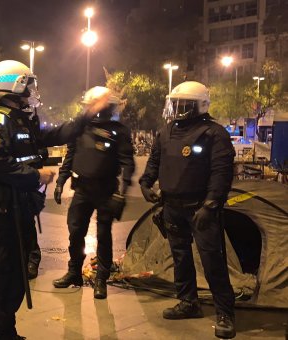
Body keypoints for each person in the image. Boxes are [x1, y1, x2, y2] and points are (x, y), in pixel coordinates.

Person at [0, 60, 103, 339]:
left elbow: (54, 135)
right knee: (3, 274)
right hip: (3, 212)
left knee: (20, 275)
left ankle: (7, 331)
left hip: (21, 208)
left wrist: (87, 116)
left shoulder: (22, 118)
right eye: (28, 83)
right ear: (13, 84)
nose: (33, 90)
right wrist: (36, 175)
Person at [139, 81, 236, 339]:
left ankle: (225, 312)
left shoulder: (214, 133)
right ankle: (188, 302)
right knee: (180, 258)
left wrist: (211, 204)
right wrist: (145, 183)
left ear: (200, 105)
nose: (179, 108)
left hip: (201, 208)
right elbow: (155, 161)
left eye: (185, 104)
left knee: (212, 261)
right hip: (172, 206)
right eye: (176, 103)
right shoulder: (167, 131)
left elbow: (221, 172)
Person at [52, 86, 135, 300]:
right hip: (82, 190)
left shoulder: (119, 130)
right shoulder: (81, 128)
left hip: (106, 190)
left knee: (103, 235)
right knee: (75, 232)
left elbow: (127, 162)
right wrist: (61, 181)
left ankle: (101, 279)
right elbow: (70, 155)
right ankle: (74, 272)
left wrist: (122, 192)